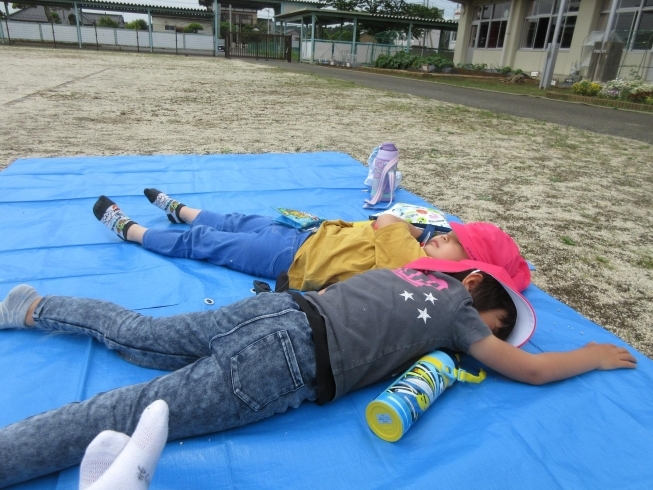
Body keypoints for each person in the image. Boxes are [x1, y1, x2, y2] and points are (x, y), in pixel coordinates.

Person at [0, 259, 635, 487]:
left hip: (276, 310)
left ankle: (29, 307)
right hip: (288, 363)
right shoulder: (463, 319)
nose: (488, 336)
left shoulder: (410, 271)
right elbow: (528, 371)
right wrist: (592, 356)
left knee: (141, 334)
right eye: (499, 323)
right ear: (477, 294)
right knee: (121, 415)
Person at [92, 189, 531, 292]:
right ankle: (179, 210)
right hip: (307, 233)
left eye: (453, 239)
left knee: (211, 242)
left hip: (293, 258)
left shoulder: (417, 264)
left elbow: (388, 221)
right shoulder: (420, 253)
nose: (442, 236)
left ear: (467, 264)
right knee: (238, 219)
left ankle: (133, 232)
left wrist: (416, 229)